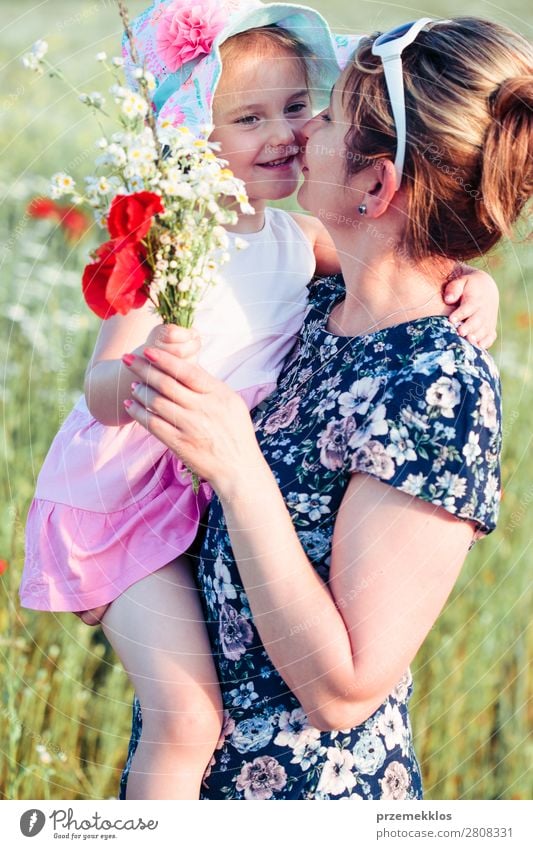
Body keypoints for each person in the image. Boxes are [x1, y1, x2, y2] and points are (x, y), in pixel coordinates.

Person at [21, 3, 498, 799]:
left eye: (311, 110)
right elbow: (103, 384)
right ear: (193, 141)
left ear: (377, 183)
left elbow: (344, 690)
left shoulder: (416, 369)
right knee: (182, 719)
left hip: (307, 789)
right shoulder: (238, 269)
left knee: (186, 719)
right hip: (129, 503)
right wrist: (142, 372)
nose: (295, 131)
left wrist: (468, 278)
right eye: (252, 116)